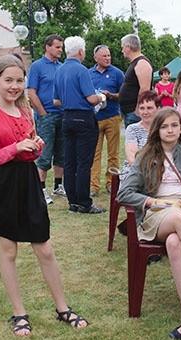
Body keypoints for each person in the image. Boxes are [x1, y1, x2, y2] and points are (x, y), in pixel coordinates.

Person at [0, 55, 89, 336]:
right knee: (9, 249)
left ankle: (63, 308)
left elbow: (31, 151)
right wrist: (14, 149)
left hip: (27, 182)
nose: (14, 86)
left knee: (45, 248)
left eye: (19, 80)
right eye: (8, 80)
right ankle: (19, 313)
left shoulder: (26, 110)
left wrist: (35, 147)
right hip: (2, 185)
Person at [117, 107, 181, 340]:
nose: (170, 130)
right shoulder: (146, 155)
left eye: (175, 125)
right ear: (157, 129)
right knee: (179, 221)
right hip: (158, 213)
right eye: (165, 126)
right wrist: (150, 201)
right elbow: (124, 193)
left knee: (174, 242)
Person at [53, 36, 106, 214]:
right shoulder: (81, 70)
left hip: (67, 117)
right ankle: (84, 202)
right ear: (81, 51)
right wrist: (101, 97)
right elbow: (91, 99)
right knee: (84, 163)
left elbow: (56, 101)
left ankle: (73, 201)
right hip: (83, 117)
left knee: (70, 162)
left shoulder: (59, 70)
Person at [27, 34, 66, 205]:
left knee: (61, 152)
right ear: (47, 47)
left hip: (62, 115)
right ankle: (40, 188)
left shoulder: (62, 67)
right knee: (44, 153)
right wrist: (42, 113)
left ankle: (58, 185)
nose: (60, 50)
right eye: (57, 47)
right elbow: (31, 92)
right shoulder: (37, 66)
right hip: (46, 116)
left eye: (62, 47)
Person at [89, 44, 124, 196]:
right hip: (95, 119)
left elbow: (123, 95)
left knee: (113, 153)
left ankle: (111, 183)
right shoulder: (88, 74)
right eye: (104, 56)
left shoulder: (117, 73)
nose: (108, 58)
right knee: (94, 153)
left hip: (112, 117)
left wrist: (111, 95)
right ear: (95, 58)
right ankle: (93, 186)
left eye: (109, 55)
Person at [119, 90, 160, 180]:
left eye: (149, 108)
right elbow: (132, 158)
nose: (145, 112)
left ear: (158, 108)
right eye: (142, 108)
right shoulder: (132, 129)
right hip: (135, 174)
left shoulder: (164, 129)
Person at [119, 34, 153, 127]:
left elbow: (145, 89)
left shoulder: (142, 63)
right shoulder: (135, 63)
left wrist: (138, 110)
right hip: (129, 111)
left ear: (128, 47)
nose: (122, 51)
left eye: (123, 48)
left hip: (134, 113)